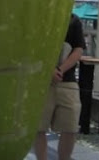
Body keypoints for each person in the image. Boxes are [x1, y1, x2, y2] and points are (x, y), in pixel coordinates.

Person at [34, 13, 85, 160]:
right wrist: (49, 69)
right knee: (39, 127)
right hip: (41, 82)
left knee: (71, 126)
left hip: (67, 80)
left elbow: (78, 49)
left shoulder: (74, 19)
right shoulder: (39, 15)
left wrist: (61, 69)